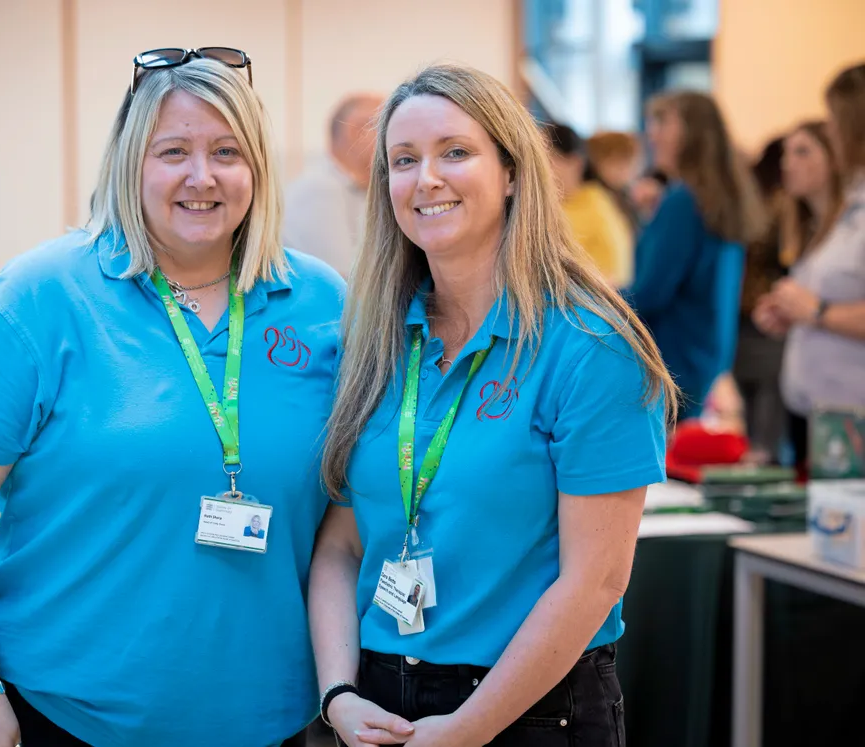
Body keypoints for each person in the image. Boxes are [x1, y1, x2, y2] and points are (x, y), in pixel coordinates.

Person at [0, 49, 344, 747]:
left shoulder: (326, 306)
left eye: (226, 151)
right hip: (70, 715)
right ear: (130, 164)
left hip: (275, 718)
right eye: (172, 151)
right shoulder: (35, 300)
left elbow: (350, 515)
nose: (201, 176)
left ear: (258, 167)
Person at [309, 64, 673, 747]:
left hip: (531, 708)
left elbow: (595, 581)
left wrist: (469, 727)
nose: (427, 180)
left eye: (455, 152)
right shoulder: (373, 339)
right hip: (378, 704)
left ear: (512, 171)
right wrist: (339, 695)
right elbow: (340, 545)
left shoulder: (591, 345)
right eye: (403, 160)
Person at [622, 91, 766, 421]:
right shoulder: (716, 197)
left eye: (663, 122)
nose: (651, 134)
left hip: (673, 360)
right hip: (705, 357)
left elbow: (650, 294)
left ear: (693, 133)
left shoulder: (683, 202)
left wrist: (590, 297)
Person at [755, 62, 865, 468]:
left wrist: (816, 311)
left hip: (851, 415)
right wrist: (797, 313)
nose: (831, 129)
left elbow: (827, 308)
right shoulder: (842, 217)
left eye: (836, 120)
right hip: (823, 412)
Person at [738, 123, 841, 463]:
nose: (787, 163)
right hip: (810, 392)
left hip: (842, 398)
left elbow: (823, 308)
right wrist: (790, 311)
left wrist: (813, 311)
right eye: (786, 153)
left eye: (802, 152)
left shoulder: (849, 228)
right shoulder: (807, 226)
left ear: (836, 156)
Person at [283, 92, 385, 277]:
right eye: (386, 128)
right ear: (357, 131)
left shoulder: (356, 191)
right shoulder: (319, 189)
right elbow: (341, 283)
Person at [545, 122, 634, 287]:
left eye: (549, 157)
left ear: (575, 162)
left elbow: (618, 275)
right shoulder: (551, 206)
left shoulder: (596, 204)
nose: (541, 166)